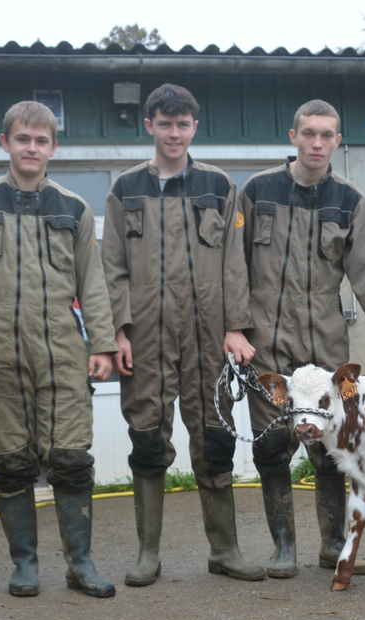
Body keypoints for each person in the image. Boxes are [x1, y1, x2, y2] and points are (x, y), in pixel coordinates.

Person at [239, 99, 365, 579]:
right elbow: (232, 269)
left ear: (337, 141)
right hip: (266, 346)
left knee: (328, 448)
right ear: (293, 136)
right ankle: (283, 550)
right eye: (308, 133)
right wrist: (234, 328)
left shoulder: (350, 201)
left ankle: (332, 545)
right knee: (271, 446)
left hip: (325, 346)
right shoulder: (257, 191)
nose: (317, 142)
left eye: (326, 135)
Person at [0, 100, 117, 598]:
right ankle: (25, 565)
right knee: (11, 459)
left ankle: (80, 563)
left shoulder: (74, 208)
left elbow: (94, 282)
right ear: (5, 143)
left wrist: (101, 344)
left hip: (62, 345)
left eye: (41, 141)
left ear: (53, 148)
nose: (32, 148)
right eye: (23, 139)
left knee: (70, 458)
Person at [103, 83, 265, 586]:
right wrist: (119, 332)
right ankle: (148, 555)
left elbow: (235, 263)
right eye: (165, 123)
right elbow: (112, 267)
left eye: (183, 124)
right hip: (147, 335)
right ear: (148, 125)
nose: (174, 133)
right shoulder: (124, 189)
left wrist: (237, 326)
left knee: (215, 438)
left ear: (194, 127)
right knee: (148, 439)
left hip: (208, 334)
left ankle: (225, 550)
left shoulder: (219, 187)